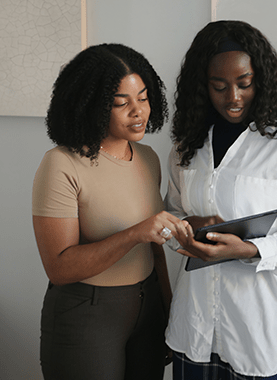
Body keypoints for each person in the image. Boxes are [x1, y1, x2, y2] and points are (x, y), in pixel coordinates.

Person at [165, 20, 277, 379]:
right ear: (202, 86)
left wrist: (249, 250)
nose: (233, 97)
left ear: (261, 80)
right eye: (219, 86)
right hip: (196, 327)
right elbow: (171, 214)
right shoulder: (187, 144)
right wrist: (187, 228)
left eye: (244, 83)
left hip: (262, 332)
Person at [32, 43, 188, 380]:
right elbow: (59, 267)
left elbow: (154, 243)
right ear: (91, 106)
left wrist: (168, 306)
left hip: (147, 309)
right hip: (87, 313)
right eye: (122, 103)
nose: (138, 111)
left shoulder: (148, 158)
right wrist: (134, 234)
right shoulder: (61, 164)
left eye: (144, 98)